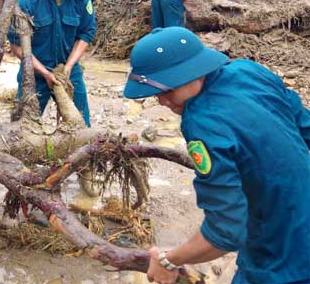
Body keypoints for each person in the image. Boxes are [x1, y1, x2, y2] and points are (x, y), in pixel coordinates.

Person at [122, 26, 310, 284]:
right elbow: (304, 126)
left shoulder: (201, 122)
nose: (161, 101)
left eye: (166, 90)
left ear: (190, 73)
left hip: (282, 256)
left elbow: (226, 233)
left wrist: (168, 260)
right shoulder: (248, 70)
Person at [8, 0, 96, 126]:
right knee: (23, 128)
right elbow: (16, 45)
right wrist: (45, 74)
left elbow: (86, 33)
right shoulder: (27, 0)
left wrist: (69, 67)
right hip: (34, 73)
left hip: (68, 71)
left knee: (81, 125)